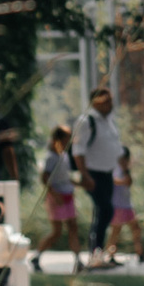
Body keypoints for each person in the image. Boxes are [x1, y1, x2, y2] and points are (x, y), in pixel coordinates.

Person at [72, 83, 127, 265]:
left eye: (111, 100)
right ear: (95, 102)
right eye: (106, 101)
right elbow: (78, 151)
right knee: (105, 209)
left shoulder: (109, 121)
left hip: (107, 173)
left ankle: (98, 254)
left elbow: (117, 148)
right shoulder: (86, 121)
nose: (110, 104)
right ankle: (95, 253)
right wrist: (85, 175)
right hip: (93, 174)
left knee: (103, 213)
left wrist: (125, 170)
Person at [39, 124, 81, 265]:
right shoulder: (51, 157)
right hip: (57, 197)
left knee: (73, 227)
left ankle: (78, 260)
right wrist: (54, 194)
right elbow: (45, 177)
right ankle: (37, 256)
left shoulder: (64, 155)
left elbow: (64, 177)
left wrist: (78, 183)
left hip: (67, 195)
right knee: (57, 232)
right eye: (67, 137)